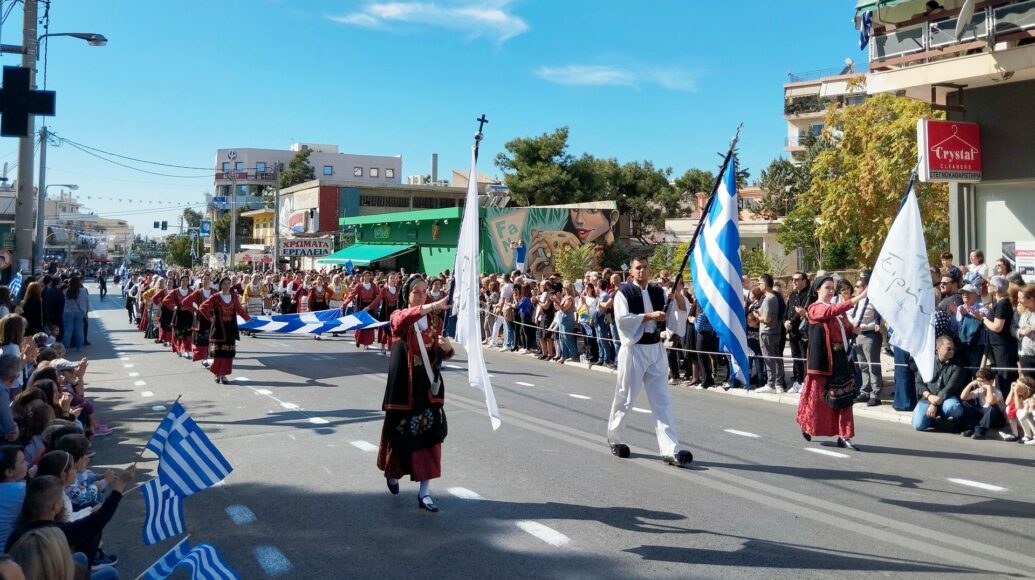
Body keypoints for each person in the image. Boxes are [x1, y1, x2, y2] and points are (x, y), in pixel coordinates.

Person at [606, 257, 692, 467]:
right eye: (638, 268)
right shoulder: (623, 293)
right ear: (632, 272)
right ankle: (615, 438)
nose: (642, 271)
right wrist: (649, 316)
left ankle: (670, 449)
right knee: (625, 397)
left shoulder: (658, 292)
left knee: (662, 400)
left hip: (655, 349)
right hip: (634, 349)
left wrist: (677, 297)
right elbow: (623, 320)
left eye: (645, 267)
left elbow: (676, 319)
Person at [376, 275, 452, 513]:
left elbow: (440, 355)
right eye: (416, 292)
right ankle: (393, 474)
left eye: (424, 291)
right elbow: (399, 324)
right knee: (400, 439)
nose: (421, 294)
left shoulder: (434, 322)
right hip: (404, 389)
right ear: (407, 295)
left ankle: (424, 493)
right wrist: (432, 306)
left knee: (430, 439)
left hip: (427, 387)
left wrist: (447, 349)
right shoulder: (399, 316)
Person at [797, 275, 868, 450]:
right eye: (827, 287)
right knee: (816, 398)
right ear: (817, 290)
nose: (830, 291)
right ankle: (808, 424)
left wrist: (854, 329)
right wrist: (859, 297)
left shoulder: (838, 312)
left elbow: (845, 329)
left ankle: (845, 435)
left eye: (832, 288)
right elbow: (829, 312)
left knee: (845, 398)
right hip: (822, 362)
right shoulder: (814, 308)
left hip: (840, 360)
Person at [199, 277, 251, 384]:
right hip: (219, 328)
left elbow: (239, 310)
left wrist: (249, 319)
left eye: (229, 284)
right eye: (225, 284)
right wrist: (210, 318)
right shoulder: (215, 297)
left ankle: (223, 375)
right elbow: (202, 307)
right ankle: (217, 374)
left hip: (231, 328)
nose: (227, 286)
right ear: (221, 285)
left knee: (228, 353)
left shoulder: (234, 297)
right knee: (219, 353)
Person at [972, 275, 1017, 396]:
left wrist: (982, 319)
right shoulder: (997, 302)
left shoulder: (1003, 304)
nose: (987, 285)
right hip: (996, 345)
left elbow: (997, 327)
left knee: (1005, 377)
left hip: (1003, 347)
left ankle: (1006, 407)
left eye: (990, 284)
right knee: (999, 376)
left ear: (996, 288)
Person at [912, 336, 968, 431]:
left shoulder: (958, 365)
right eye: (948, 349)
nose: (952, 351)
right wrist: (929, 396)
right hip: (928, 398)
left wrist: (934, 404)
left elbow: (950, 388)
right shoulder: (927, 362)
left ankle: (950, 420)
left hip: (947, 399)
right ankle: (935, 421)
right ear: (938, 349)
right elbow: (919, 383)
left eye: (953, 349)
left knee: (954, 408)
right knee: (918, 425)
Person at [850, 275, 884, 406]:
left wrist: (862, 327)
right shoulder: (859, 301)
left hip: (870, 336)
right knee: (863, 365)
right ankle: (865, 391)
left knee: (873, 365)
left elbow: (879, 321)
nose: (856, 288)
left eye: (858, 286)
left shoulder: (875, 300)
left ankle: (875, 394)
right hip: (858, 336)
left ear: (866, 287)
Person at [754, 274, 785, 393]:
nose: (758, 285)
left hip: (767, 332)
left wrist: (757, 316)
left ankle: (771, 384)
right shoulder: (774, 297)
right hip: (775, 332)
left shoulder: (769, 298)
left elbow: (767, 319)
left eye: (759, 283)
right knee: (776, 357)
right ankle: (778, 384)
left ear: (765, 284)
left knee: (769, 358)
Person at [959, 367, 1006, 440]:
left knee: (993, 408)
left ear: (991, 381)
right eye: (978, 381)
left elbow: (990, 402)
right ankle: (971, 427)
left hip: (997, 418)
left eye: (982, 381)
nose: (980, 383)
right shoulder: (980, 390)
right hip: (984, 414)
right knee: (966, 403)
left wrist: (989, 387)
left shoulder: (997, 392)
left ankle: (980, 430)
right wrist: (971, 384)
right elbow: (963, 397)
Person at [0, 445, 28, 550]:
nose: (27, 463)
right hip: (10, 554)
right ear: (9, 472)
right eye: (23, 461)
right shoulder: (22, 490)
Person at [344, 272, 380, 350]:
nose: (367, 277)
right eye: (365, 276)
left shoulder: (373, 286)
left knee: (368, 326)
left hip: (370, 307)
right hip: (361, 307)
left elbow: (379, 295)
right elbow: (351, 295)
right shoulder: (359, 286)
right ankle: (358, 340)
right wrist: (344, 304)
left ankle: (367, 343)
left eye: (368, 276)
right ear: (363, 277)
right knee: (360, 325)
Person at [185, 274, 215, 364]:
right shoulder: (198, 292)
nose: (206, 280)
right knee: (203, 338)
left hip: (212, 317)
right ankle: (204, 358)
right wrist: (195, 309)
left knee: (212, 337)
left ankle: (209, 355)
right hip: (201, 318)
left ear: (210, 280)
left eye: (208, 279)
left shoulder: (214, 291)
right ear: (201, 281)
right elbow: (185, 301)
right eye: (204, 279)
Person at [164, 275, 195, 358]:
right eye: (183, 280)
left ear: (188, 282)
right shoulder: (175, 291)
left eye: (186, 280)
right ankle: (180, 349)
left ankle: (187, 350)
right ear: (180, 281)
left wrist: (193, 309)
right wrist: (173, 306)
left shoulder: (191, 291)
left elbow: (196, 302)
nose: (184, 282)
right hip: (178, 315)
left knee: (188, 333)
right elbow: (165, 301)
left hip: (188, 315)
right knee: (179, 333)